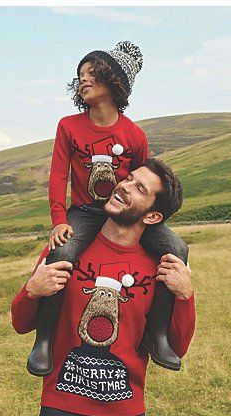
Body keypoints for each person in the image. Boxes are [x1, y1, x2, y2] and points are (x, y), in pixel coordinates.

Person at [11, 158, 196, 416]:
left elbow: (175, 348)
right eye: (129, 178)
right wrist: (32, 290)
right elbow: (20, 323)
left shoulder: (160, 266)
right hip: (61, 412)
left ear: (153, 216)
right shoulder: (65, 246)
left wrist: (185, 296)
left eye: (139, 188)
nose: (123, 185)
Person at [27, 41, 188, 378]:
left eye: (91, 74)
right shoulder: (68, 126)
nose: (82, 80)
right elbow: (58, 176)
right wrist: (59, 220)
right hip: (85, 212)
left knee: (177, 248)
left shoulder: (134, 135)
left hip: (123, 209)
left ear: (113, 81)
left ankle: (157, 336)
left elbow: (142, 187)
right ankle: (43, 341)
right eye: (80, 76)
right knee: (62, 252)